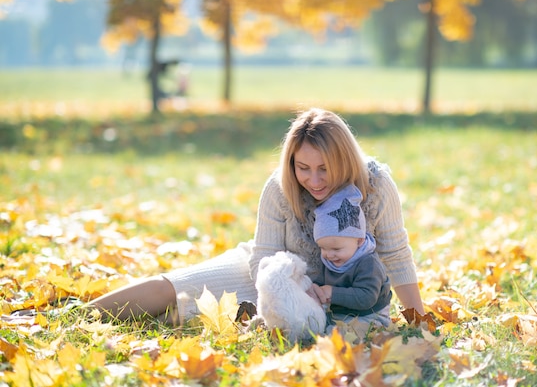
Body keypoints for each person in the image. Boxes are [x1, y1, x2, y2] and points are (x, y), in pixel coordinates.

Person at [87, 108, 425, 325]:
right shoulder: (280, 188)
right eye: (303, 168)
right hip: (271, 277)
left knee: (183, 316)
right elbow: (263, 256)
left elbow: (395, 254)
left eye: (325, 168)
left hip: (347, 294)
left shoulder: (376, 185)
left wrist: (417, 320)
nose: (314, 180)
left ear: (345, 159)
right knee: (173, 291)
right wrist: (290, 292)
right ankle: (77, 314)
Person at [312, 183, 392, 330]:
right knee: (315, 325)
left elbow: (366, 298)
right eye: (323, 248)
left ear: (359, 240)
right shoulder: (330, 258)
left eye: (336, 248)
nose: (329, 254)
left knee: (337, 333)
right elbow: (319, 280)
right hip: (341, 313)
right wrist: (314, 289)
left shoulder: (368, 263)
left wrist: (332, 293)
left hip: (370, 314)